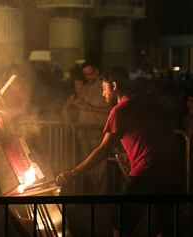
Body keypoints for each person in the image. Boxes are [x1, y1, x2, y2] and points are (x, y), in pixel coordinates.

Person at [56, 67, 181, 237]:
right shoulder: (146, 104)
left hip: (145, 174)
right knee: (164, 228)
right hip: (168, 173)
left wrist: (74, 172)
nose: (102, 93)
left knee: (119, 222)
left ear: (114, 86)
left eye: (103, 88)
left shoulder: (119, 111)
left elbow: (103, 149)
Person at [75, 61, 112, 194]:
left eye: (90, 74)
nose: (88, 77)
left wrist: (90, 108)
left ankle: (102, 195)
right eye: (85, 75)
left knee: (100, 165)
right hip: (84, 131)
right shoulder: (87, 86)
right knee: (88, 165)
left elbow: (110, 110)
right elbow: (80, 100)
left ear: (97, 71)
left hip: (97, 131)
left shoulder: (104, 87)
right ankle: (96, 193)